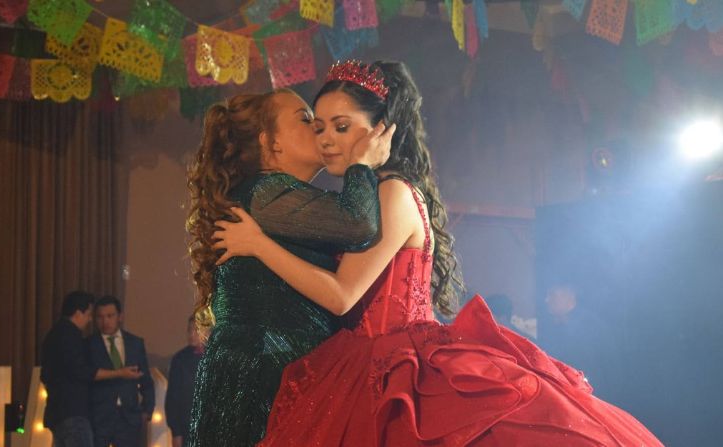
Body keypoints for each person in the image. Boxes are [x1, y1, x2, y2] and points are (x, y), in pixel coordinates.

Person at [213, 60, 663, 446]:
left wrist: (258, 244)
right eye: (320, 127)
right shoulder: (380, 191)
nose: (327, 139)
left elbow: (342, 296)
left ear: (383, 132)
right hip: (369, 361)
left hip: (394, 365)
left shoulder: (391, 193)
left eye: (342, 126)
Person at [185, 88, 393, 446]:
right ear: (271, 142)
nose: (318, 129)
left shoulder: (273, 195)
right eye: (305, 119)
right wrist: (361, 165)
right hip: (263, 373)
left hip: (272, 366)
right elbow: (358, 224)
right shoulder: (266, 193)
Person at [40, 291, 143, 447]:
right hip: (74, 413)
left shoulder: (53, 334)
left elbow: (45, 375)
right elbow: (83, 371)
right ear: (78, 313)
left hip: (57, 413)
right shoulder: (72, 336)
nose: (90, 320)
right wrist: (119, 373)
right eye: (89, 315)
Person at [86, 296, 155, 447]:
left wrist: (147, 410)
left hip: (129, 416)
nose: (105, 322)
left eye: (110, 316)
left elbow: (146, 380)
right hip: (99, 417)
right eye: (100, 317)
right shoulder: (89, 345)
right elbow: (87, 377)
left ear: (120, 317)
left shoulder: (135, 343)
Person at [165, 310, 212, 447]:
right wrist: (176, 432)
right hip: (187, 428)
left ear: (208, 332)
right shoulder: (180, 360)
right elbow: (173, 399)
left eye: (197, 330)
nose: (191, 334)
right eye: (189, 330)